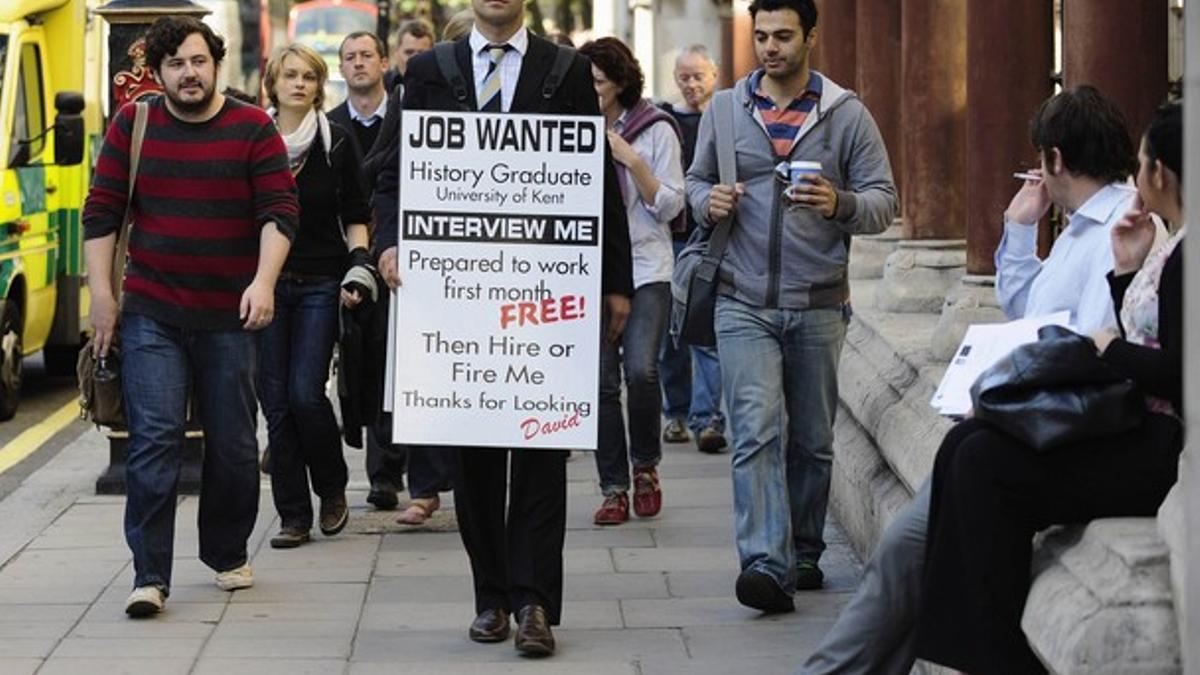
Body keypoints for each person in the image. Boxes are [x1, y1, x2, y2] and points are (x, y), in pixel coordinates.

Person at [799, 86, 1148, 675]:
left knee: (905, 552)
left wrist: (998, 396)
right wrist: (1017, 230)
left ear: (1055, 160)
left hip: (1048, 425)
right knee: (902, 556)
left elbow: (1086, 342)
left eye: (1039, 159)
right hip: (1019, 415)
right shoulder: (1077, 227)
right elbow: (1026, 308)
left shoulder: (1119, 225)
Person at [374, 0, 633, 655]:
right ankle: (491, 597)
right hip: (458, 298)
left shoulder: (567, 70)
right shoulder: (429, 69)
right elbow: (390, 171)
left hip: (545, 294)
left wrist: (616, 282)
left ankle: (536, 602)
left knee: (544, 454)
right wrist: (387, 242)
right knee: (476, 459)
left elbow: (598, 181)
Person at [914, 100, 1184, 675]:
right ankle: (963, 652)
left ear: (1159, 174)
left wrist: (1107, 348)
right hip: (1130, 421)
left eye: (1141, 165)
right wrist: (1127, 273)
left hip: (1157, 444)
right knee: (964, 447)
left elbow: (1179, 370)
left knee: (983, 463)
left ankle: (996, 656)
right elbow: (1044, 311)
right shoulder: (1157, 242)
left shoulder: (1187, 256)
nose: (1134, 177)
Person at [686, 0, 898, 613]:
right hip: (740, 297)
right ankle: (765, 565)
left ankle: (804, 549)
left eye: (783, 35)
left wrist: (839, 202)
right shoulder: (726, 109)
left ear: (811, 36)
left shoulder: (846, 115)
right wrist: (709, 202)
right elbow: (694, 184)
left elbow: (885, 201)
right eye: (762, 36)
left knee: (812, 439)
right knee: (754, 431)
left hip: (818, 302)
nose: (771, 47)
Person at [82, 16, 297, 616]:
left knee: (231, 444)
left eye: (198, 61)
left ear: (216, 64)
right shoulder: (136, 123)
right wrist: (103, 296)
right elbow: (99, 213)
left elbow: (280, 210)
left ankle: (226, 551)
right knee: (154, 441)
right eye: (176, 64)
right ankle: (149, 575)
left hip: (231, 315)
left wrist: (263, 281)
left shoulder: (253, 127)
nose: (189, 73)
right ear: (159, 73)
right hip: (153, 310)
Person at [257, 43, 370, 549]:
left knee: (305, 393)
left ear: (319, 85)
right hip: (264, 286)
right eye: (290, 75)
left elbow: (356, 213)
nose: (299, 84)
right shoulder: (253, 140)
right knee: (276, 403)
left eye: (308, 76)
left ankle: (331, 487)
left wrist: (358, 266)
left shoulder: (337, 143)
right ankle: (293, 515)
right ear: (273, 84)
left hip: (322, 282)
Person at [579, 37, 684, 526]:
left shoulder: (656, 129)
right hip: (589, 273)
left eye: (598, 82)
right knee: (600, 384)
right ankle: (613, 487)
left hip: (646, 268)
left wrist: (630, 160)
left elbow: (670, 206)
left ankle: (645, 465)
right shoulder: (572, 128)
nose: (591, 90)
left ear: (620, 82)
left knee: (640, 369)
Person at [657, 44, 726, 454]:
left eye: (698, 75)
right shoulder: (666, 120)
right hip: (672, 235)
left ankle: (708, 418)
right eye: (684, 76)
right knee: (671, 337)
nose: (692, 84)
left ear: (714, 75)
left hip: (712, 238)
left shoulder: (727, 119)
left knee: (704, 330)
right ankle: (676, 413)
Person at [329, 31, 390, 165]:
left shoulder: (405, 120)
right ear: (341, 70)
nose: (358, 63)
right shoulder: (328, 125)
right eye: (350, 58)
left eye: (366, 56)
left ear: (384, 64)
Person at [384, 18, 434, 91]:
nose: (415, 60)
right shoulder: (382, 85)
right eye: (409, 52)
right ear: (396, 53)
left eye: (422, 54)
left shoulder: (442, 87)